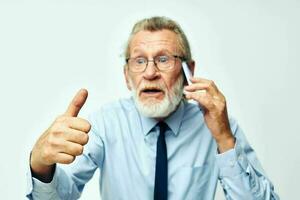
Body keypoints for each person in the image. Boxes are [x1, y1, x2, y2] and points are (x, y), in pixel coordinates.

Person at [26, 16, 279, 200]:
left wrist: (224, 139)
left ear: (188, 71)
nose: (149, 73)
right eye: (139, 61)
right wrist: (41, 166)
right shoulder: (104, 124)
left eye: (163, 59)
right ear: (127, 76)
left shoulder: (218, 126)